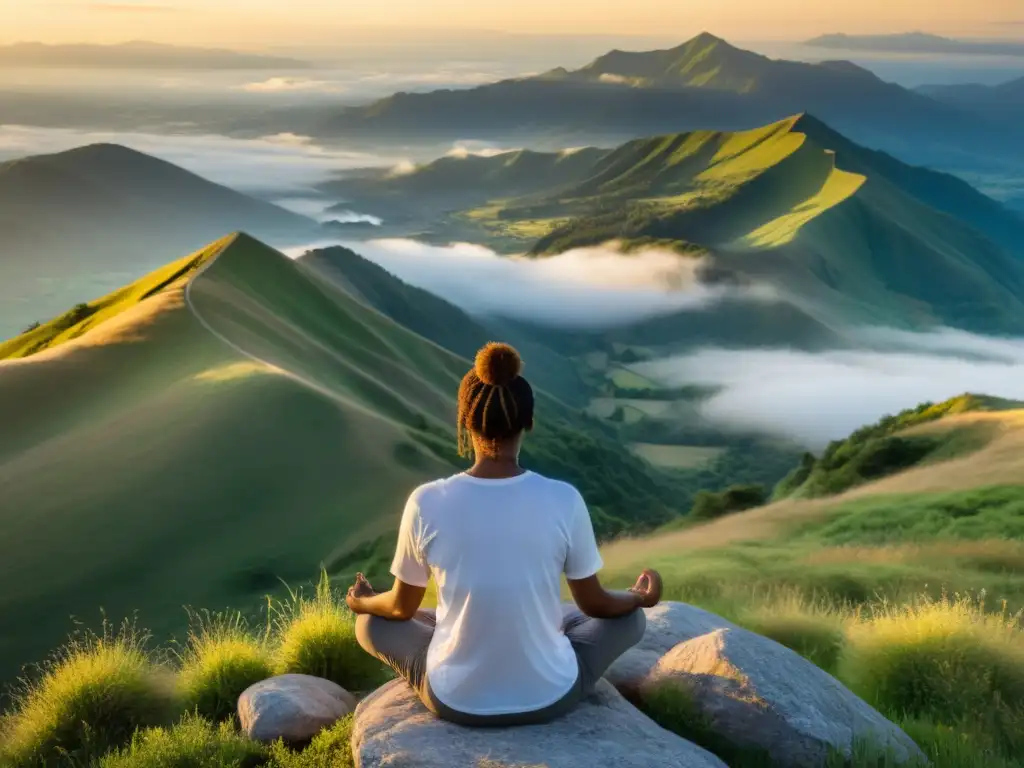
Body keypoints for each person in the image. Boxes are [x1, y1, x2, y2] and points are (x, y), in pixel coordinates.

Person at [346, 341, 662, 726]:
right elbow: (595, 604)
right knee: (630, 619)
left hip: (455, 699)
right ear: (528, 422)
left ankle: (455, 652)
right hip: (551, 695)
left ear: (465, 420)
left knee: (371, 624)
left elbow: (399, 608)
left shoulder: (426, 501)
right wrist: (638, 597)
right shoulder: (563, 498)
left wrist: (362, 603)